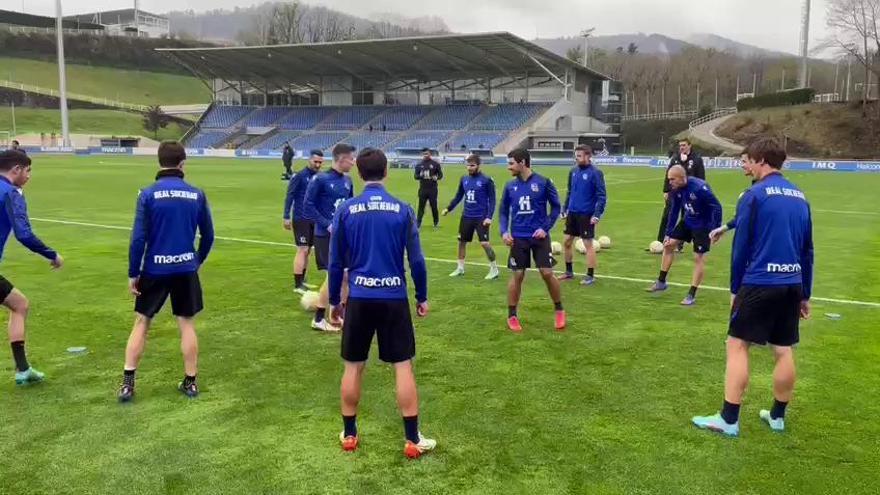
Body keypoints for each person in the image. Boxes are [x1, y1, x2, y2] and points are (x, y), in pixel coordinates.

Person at [692, 137, 813, 437]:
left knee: (736, 345)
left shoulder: (754, 195)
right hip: (792, 283)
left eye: (748, 160)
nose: (744, 166)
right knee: (783, 349)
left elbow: (741, 247)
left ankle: (729, 419)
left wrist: (735, 289)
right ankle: (777, 417)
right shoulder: (800, 196)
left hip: (760, 282)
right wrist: (805, 293)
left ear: (760, 160)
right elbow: (808, 250)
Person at [328, 147, 435, 458]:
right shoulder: (402, 209)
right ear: (386, 172)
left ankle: (349, 434)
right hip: (393, 297)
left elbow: (336, 263)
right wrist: (422, 296)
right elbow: (417, 260)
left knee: (353, 366)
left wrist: (335, 300)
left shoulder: (346, 210)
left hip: (360, 297)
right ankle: (413, 439)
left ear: (359, 174)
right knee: (402, 366)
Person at [118, 141, 214, 402]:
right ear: (183, 163)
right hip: (185, 267)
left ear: (159, 162)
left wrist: (132, 272)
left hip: (154, 268)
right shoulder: (197, 194)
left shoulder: (147, 194)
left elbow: (138, 238)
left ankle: (128, 383)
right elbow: (209, 235)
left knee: (142, 322)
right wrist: (197, 260)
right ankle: (191, 382)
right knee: (186, 324)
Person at [0, 150, 63, 385]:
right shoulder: (10, 193)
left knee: (19, 304)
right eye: (28, 171)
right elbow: (24, 234)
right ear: (16, 169)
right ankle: (22, 370)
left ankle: (23, 369)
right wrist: (52, 254)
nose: (29, 176)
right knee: (20, 305)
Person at [499, 148, 565, 332]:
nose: (508, 167)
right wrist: (504, 232)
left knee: (546, 273)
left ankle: (559, 309)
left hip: (539, 237)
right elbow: (503, 211)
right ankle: (512, 315)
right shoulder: (509, 186)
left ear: (522, 162)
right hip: (518, 238)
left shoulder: (543, 182)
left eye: (511, 163)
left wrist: (545, 229)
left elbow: (556, 208)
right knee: (518, 275)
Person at [646, 164, 722, 306]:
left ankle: (691, 294)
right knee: (668, 246)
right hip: (688, 221)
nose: (670, 182)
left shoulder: (700, 188)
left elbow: (717, 206)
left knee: (698, 258)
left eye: (672, 179)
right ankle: (661, 282)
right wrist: (668, 233)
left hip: (703, 225)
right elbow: (674, 211)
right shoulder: (675, 190)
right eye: (669, 179)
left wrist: (717, 229)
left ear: (682, 178)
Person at [303, 143, 355, 332]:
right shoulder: (320, 180)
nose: (353, 162)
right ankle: (318, 318)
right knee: (334, 275)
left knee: (347, 275)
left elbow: (351, 207)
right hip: (325, 235)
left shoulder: (348, 181)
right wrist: (327, 224)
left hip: (344, 236)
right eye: (351, 158)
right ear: (341, 159)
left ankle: (339, 315)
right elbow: (308, 206)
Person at [442, 154, 499, 280]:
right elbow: (458, 196)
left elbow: (493, 200)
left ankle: (494, 269)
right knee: (462, 242)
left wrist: (489, 217)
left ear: (478, 165)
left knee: (484, 243)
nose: (469, 168)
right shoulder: (464, 179)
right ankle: (460, 268)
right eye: (468, 165)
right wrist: (448, 208)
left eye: (472, 165)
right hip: (466, 216)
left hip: (481, 217)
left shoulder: (486, 180)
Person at [558, 145, 607, 285]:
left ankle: (590, 276)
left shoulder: (596, 173)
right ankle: (568, 272)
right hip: (572, 213)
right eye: (576, 155)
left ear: (588, 156)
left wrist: (597, 214)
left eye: (579, 156)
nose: (576, 158)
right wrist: (564, 209)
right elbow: (569, 192)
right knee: (567, 242)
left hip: (586, 214)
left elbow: (602, 196)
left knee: (588, 244)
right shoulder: (573, 171)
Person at [283, 149, 323, 293]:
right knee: (303, 249)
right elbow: (290, 196)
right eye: (315, 161)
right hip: (301, 218)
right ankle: (297, 285)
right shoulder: (299, 176)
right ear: (309, 160)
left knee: (308, 251)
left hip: (314, 219)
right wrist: (286, 216)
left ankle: (303, 281)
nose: (318, 164)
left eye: (320, 162)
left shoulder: (320, 177)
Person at [654, 139, 705, 245]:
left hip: (689, 194)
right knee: (667, 215)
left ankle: (679, 244)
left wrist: (699, 194)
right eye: (680, 145)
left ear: (689, 146)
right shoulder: (676, 158)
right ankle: (660, 241)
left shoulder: (697, 159)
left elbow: (701, 178)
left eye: (684, 145)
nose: (682, 147)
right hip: (674, 192)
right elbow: (668, 174)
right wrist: (666, 190)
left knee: (685, 218)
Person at [710, 152, 756, 244]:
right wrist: (723, 228)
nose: (742, 165)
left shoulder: (755, 192)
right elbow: (741, 217)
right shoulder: (755, 189)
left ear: (754, 161)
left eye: (744, 162)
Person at [413, 148, 443, 229]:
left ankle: (436, 223)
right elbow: (415, 176)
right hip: (423, 189)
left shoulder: (435, 164)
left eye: (427, 154)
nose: (425, 155)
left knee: (434, 206)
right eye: (424, 154)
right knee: (421, 207)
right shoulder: (419, 165)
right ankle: (418, 223)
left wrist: (436, 177)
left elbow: (440, 175)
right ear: (422, 155)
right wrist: (421, 176)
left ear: (430, 154)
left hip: (432, 189)